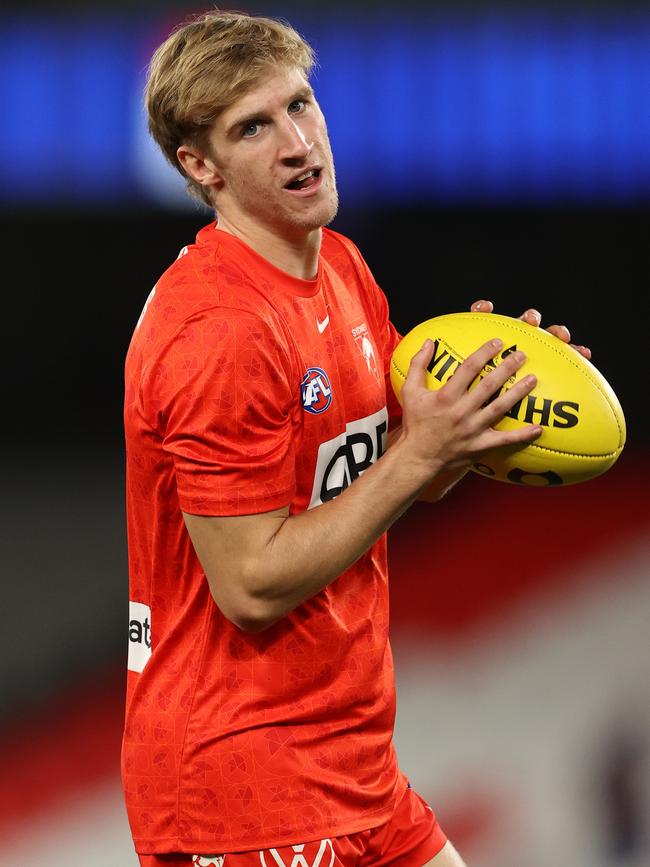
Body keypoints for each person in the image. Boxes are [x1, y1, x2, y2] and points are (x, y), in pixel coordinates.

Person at [122, 9, 591, 867]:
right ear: (201, 166)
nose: (299, 142)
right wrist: (418, 454)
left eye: (301, 105)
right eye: (253, 127)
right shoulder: (217, 329)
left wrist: (470, 425)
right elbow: (251, 584)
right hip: (241, 787)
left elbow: (384, 477)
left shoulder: (340, 267)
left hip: (355, 767)